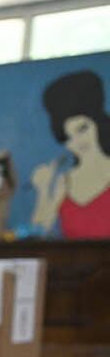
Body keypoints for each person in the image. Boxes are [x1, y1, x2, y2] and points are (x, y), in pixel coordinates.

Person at [30, 69, 110, 239]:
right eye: (68, 137)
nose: (78, 142)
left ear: (98, 123)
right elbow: (38, 232)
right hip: (73, 257)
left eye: (82, 129)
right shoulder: (63, 182)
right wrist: (44, 191)